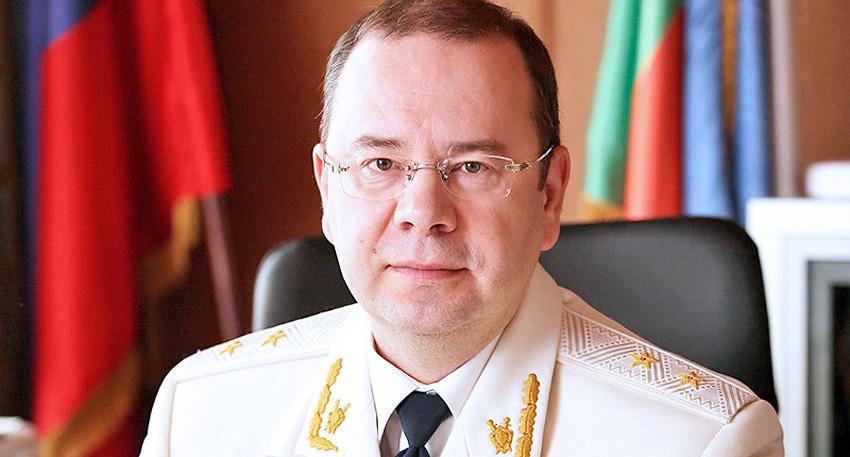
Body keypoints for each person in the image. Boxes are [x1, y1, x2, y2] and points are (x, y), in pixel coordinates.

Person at [140, 1, 783, 455]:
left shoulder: (700, 441)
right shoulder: (199, 415)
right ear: (327, 188)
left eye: (473, 166)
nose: (424, 211)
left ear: (550, 194)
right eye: (380, 164)